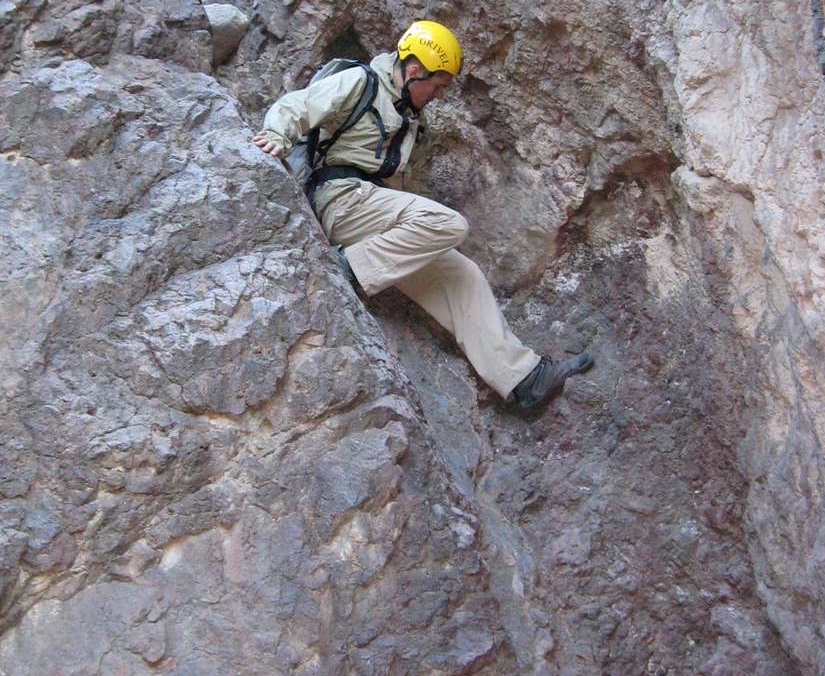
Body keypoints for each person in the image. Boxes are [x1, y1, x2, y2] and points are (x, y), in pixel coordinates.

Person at [253, 21, 594, 413]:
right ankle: (348, 269)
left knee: (462, 274)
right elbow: (299, 105)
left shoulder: (411, 119)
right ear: (414, 70)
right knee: (450, 225)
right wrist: (275, 135)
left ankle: (523, 379)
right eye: (438, 84)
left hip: (371, 209)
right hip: (340, 198)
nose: (439, 94)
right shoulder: (361, 82)